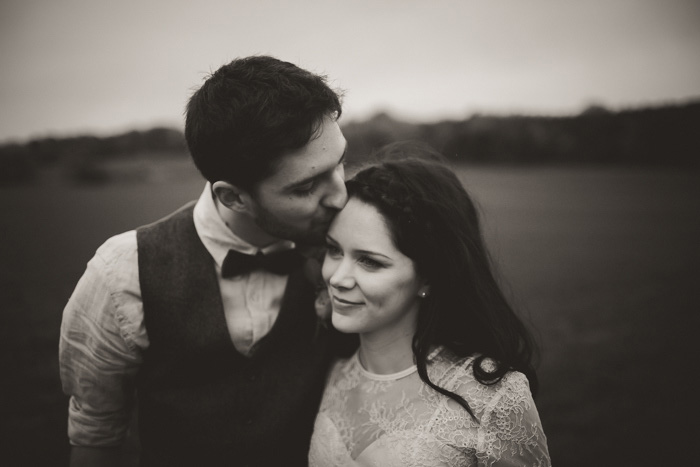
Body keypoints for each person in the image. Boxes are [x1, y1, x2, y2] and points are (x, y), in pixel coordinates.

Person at [59, 55, 351, 467]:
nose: (340, 196)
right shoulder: (121, 274)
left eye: (339, 163)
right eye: (306, 187)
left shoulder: (354, 248)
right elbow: (96, 431)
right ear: (232, 196)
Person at [309, 142, 551, 466]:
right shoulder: (329, 371)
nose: (338, 277)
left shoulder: (494, 398)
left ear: (429, 277)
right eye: (334, 250)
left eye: (369, 262)